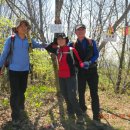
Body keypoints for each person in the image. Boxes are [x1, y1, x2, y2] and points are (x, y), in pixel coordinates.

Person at [0, 19, 45, 122]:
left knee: (22, 91)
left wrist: (52, 44)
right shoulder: (10, 39)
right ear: (17, 28)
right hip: (13, 70)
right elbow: (4, 54)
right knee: (15, 93)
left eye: (25, 26)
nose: (24, 28)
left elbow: (39, 45)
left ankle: (20, 107)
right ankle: (15, 116)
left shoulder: (29, 40)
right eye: (21, 26)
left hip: (24, 70)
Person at [45, 33, 85, 124]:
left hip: (71, 76)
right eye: (58, 39)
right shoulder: (57, 50)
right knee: (65, 95)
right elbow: (48, 47)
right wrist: (55, 42)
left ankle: (80, 116)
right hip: (61, 77)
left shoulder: (72, 50)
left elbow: (79, 61)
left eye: (62, 39)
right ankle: (70, 112)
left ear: (66, 40)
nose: (60, 41)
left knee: (72, 97)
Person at [69, 24, 100, 122]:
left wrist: (90, 62)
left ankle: (96, 115)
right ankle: (82, 111)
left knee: (94, 93)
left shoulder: (91, 42)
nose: (81, 31)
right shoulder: (72, 44)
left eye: (82, 30)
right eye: (78, 30)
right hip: (80, 72)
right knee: (81, 92)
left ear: (85, 31)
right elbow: (63, 49)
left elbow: (96, 54)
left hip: (92, 70)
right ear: (75, 32)